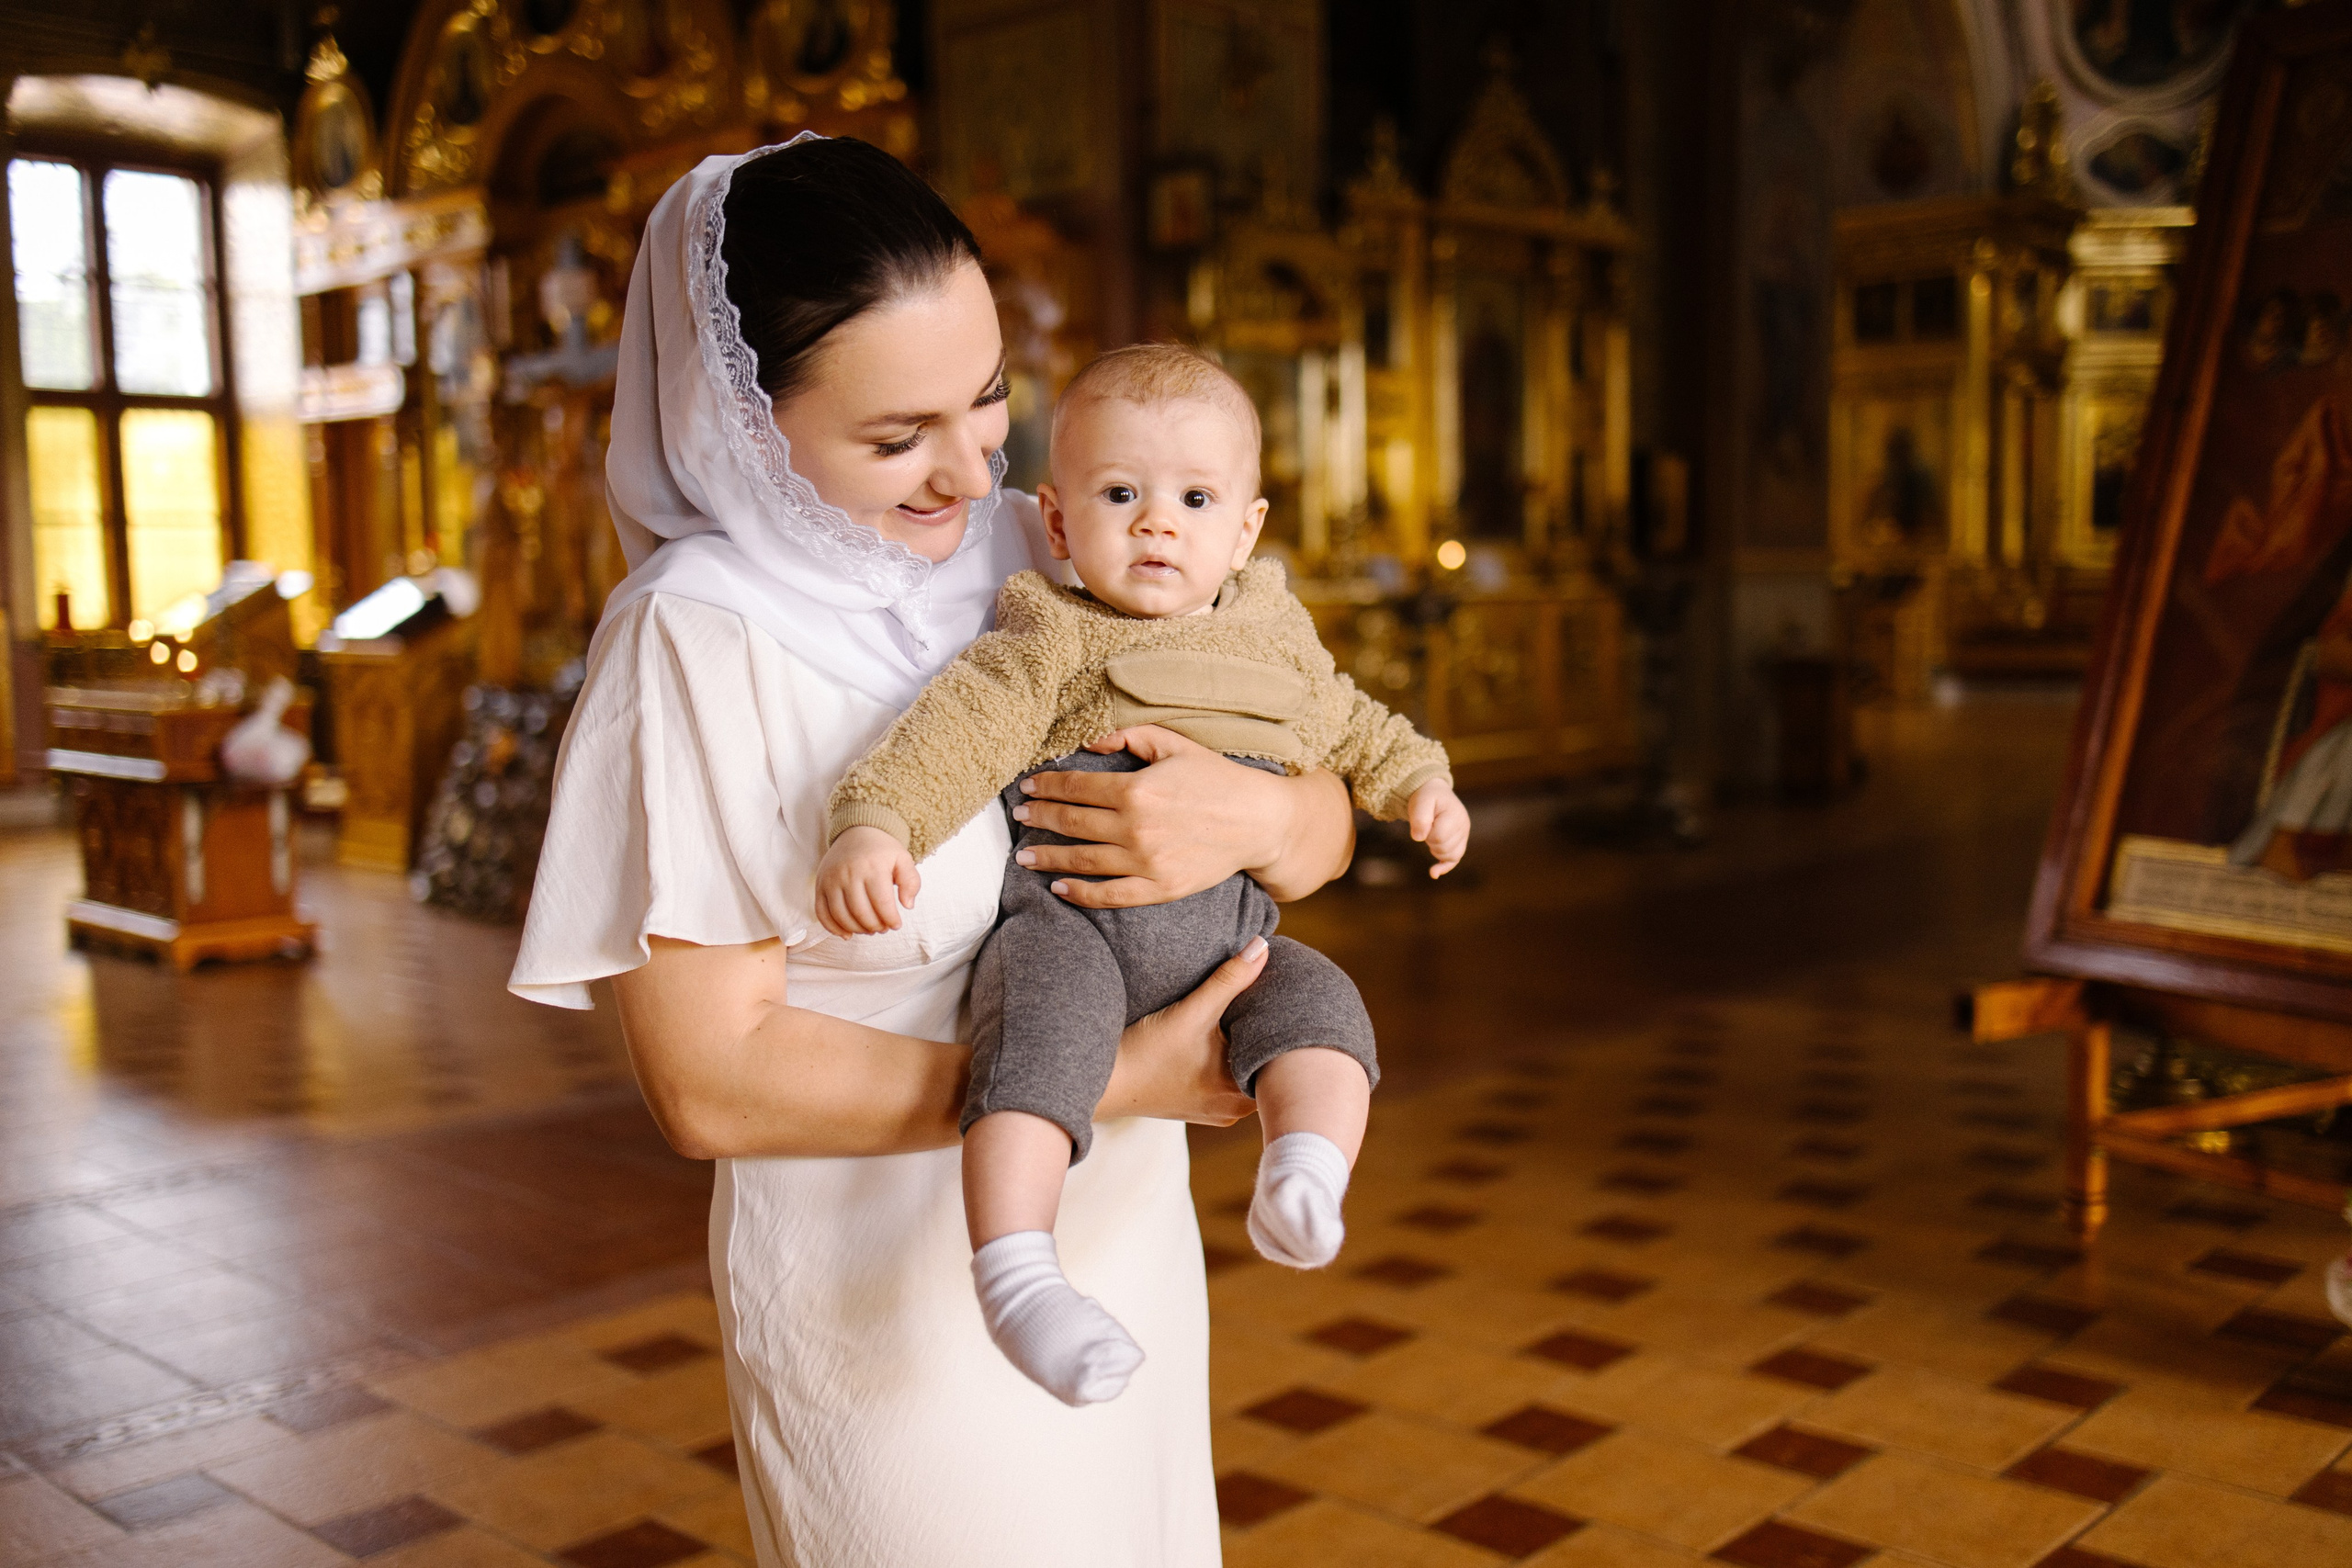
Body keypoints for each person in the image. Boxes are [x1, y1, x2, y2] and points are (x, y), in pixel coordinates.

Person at [507, 135, 1358, 1567]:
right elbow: (706, 1080)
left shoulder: (1038, 546)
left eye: (989, 398)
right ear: (740, 423)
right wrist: (1119, 1072)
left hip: (1125, 1238)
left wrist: (1271, 817)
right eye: (899, 436)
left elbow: (1317, 785)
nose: (975, 467)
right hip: (882, 1299)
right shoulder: (695, 643)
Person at [816, 344, 1469, 1406]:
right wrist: (875, 825)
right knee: (1034, 1044)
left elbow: (1353, 723)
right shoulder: (1050, 631)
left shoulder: (1275, 637)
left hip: (1232, 941)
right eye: (1121, 494)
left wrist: (1420, 785)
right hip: (1069, 927)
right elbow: (955, 732)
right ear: (1061, 521)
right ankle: (1018, 1269)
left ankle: (1305, 1170)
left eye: (1195, 497)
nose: (1158, 522)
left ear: (1246, 529)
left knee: (1324, 1007)